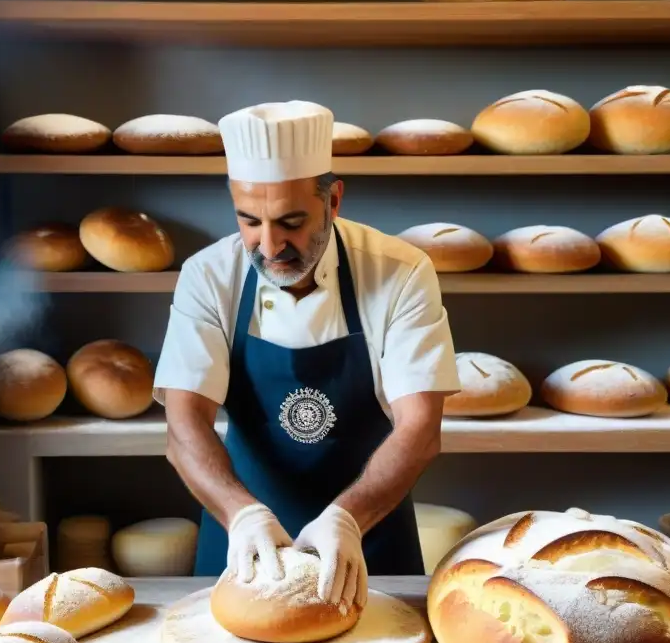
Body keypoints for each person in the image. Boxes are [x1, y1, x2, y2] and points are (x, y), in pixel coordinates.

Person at [153, 100, 460, 611]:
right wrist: (241, 514)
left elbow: (420, 427)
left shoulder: (399, 272)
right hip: (242, 543)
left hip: (371, 537)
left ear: (333, 200)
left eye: (291, 222)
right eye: (249, 221)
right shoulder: (209, 275)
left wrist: (347, 519)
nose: (270, 246)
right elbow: (184, 425)